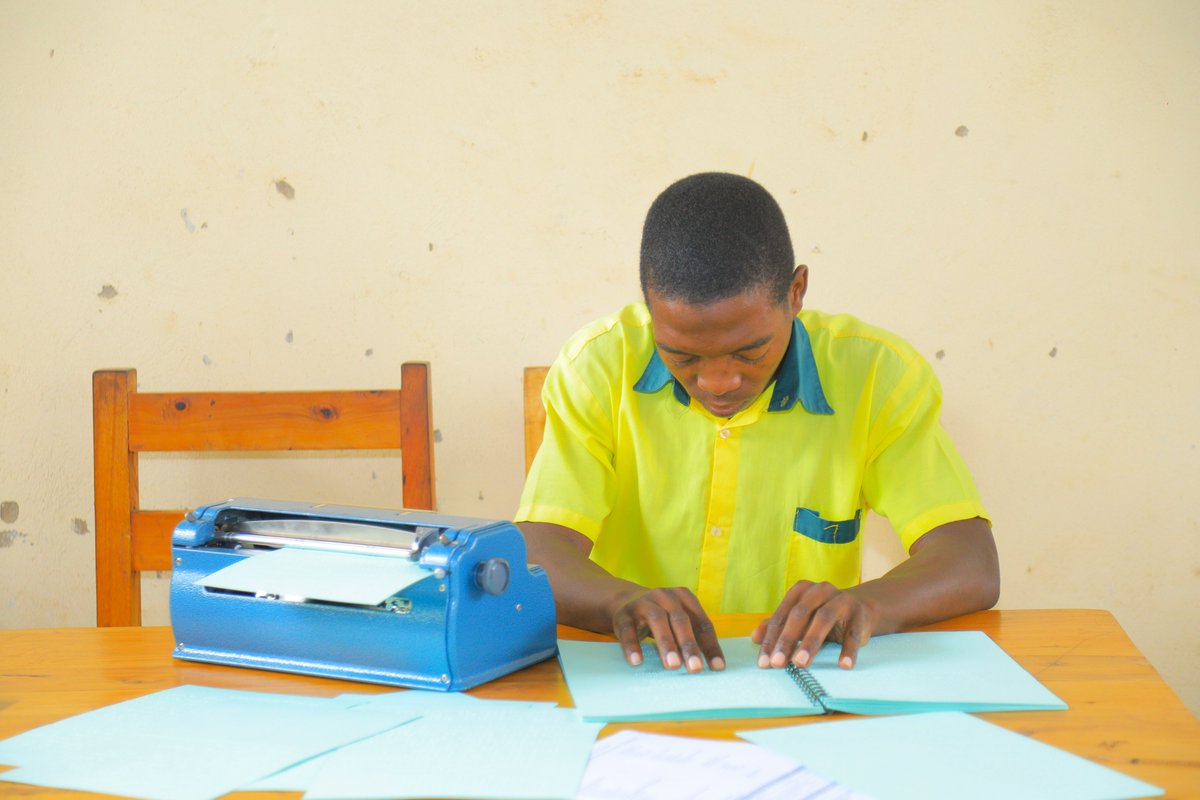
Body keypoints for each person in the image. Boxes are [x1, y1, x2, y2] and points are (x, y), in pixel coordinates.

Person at [515, 172, 999, 676]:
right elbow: (538, 550)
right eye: (681, 355)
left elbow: (970, 561)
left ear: (796, 292)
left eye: (750, 352)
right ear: (650, 310)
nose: (718, 381)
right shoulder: (598, 367)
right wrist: (618, 602)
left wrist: (871, 604)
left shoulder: (877, 376)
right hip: (638, 677)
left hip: (795, 680)